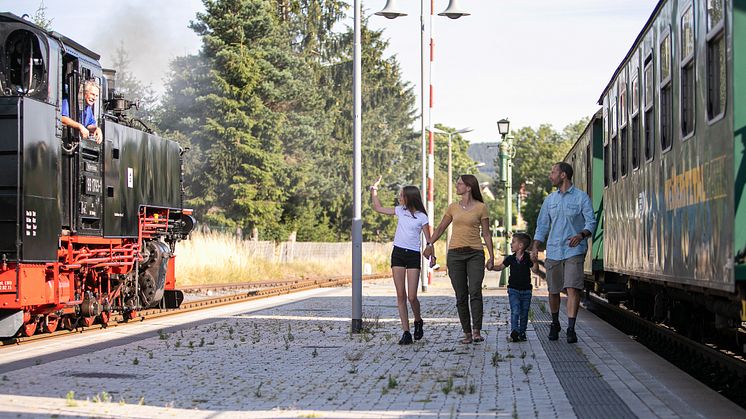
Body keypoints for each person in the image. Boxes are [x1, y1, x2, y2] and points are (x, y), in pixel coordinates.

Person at [530, 162, 595, 344]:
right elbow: (542, 225)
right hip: (554, 250)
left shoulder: (582, 198)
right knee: (553, 290)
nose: (551, 176)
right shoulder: (550, 200)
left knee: (573, 287)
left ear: (563, 175)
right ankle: (555, 322)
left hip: (574, 250)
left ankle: (571, 328)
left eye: (553, 172)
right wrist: (535, 246)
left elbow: (591, 222)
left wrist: (581, 234)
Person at [424, 174, 495, 344]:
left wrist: (492, 256)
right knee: (461, 295)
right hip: (455, 255)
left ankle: (477, 331)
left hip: (475, 254)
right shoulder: (452, 207)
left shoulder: (481, 208)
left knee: (475, 291)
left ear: (469, 187)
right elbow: (441, 227)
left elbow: (486, 233)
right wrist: (429, 243)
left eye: (459, 184)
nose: (457, 186)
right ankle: (467, 333)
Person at [370, 176, 433, 345]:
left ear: (409, 197)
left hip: (413, 255)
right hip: (398, 253)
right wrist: (373, 190)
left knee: (412, 296)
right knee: (401, 295)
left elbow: (429, 239)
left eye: (402, 195)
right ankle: (406, 332)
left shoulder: (421, 217)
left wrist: (431, 252)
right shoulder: (400, 210)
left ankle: (418, 321)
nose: (399, 197)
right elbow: (378, 207)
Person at [490, 232, 538, 342]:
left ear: (520, 245)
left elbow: (535, 270)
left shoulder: (527, 258)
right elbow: (501, 267)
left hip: (526, 290)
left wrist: (535, 261)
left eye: (513, 242)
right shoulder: (510, 258)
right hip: (513, 290)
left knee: (524, 313)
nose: (511, 244)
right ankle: (514, 331)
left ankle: (522, 332)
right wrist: (491, 267)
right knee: (515, 310)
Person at [61, 79, 102, 144]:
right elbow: (62, 118)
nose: (94, 98)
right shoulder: (68, 101)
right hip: (64, 140)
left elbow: (89, 125)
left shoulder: (88, 109)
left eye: (96, 96)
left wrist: (96, 129)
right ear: (84, 93)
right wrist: (80, 126)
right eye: (92, 94)